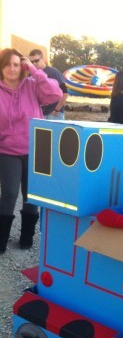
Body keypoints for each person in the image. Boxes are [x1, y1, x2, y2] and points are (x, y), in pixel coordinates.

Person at [0, 48, 62, 253]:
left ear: (23, 66)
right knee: (9, 193)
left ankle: (26, 238)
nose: (12, 68)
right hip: (7, 150)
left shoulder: (32, 85)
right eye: (8, 64)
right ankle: (1, 240)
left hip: (34, 149)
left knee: (31, 195)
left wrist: (35, 71)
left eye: (17, 64)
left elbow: (55, 93)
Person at [28, 49, 68, 120]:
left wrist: (56, 110)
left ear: (42, 59)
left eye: (36, 60)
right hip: (39, 114)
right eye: (31, 62)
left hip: (53, 114)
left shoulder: (54, 72)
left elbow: (65, 93)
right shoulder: (31, 74)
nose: (34, 63)